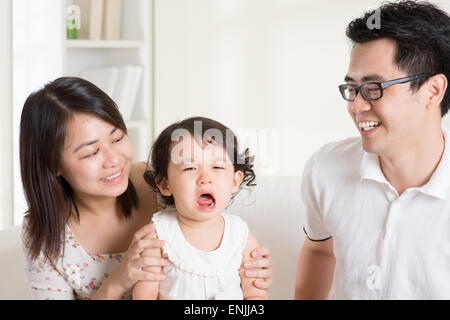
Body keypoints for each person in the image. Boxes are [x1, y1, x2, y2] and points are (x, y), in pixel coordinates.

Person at [20, 77, 274, 300]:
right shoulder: (45, 236)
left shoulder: (160, 181)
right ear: (54, 165)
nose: (114, 159)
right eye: (92, 152)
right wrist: (119, 281)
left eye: (117, 138)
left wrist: (248, 271)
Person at [295, 1, 450, 299]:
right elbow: (319, 249)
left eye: (374, 88)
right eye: (352, 88)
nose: (356, 106)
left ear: (433, 91)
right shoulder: (325, 168)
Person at [132, 117, 269, 300]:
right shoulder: (159, 233)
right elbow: (145, 294)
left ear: (234, 181)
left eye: (217, 166)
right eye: (190, 168)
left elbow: (256, 294)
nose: (205, 177)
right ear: (165, 185)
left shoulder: (239, 235)